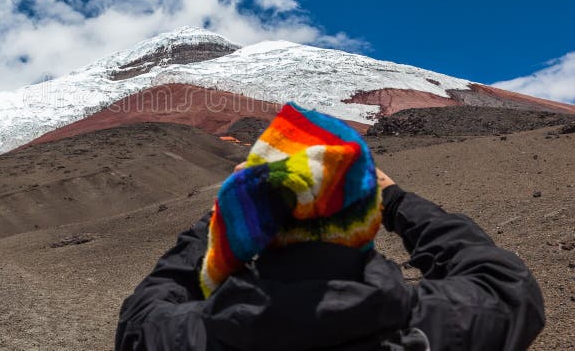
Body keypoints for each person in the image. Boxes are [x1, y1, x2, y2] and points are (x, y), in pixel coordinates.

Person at [115, 103, 545, 351]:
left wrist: (222, 213)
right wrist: (396, 200)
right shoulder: (433, 326)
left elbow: (143, 310)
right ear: (368, 217)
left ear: (254, 213)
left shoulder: (191, 336)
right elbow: (509, 286)